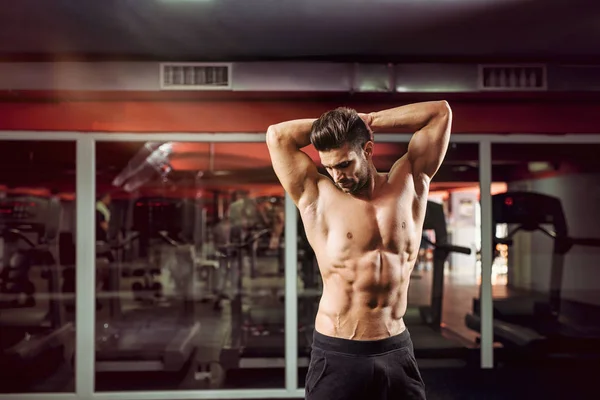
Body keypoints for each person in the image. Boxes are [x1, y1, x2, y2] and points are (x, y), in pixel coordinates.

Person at [266, 101, 452, 400]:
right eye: (329, 167)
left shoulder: (410, 184)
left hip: (395, 347)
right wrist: (341, 122)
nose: (337, 176)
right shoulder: (318, 196)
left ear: (367, 150)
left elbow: (439, 113)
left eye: (344, 164)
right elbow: (278, 135)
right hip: (339, 350)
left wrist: (368, 120)